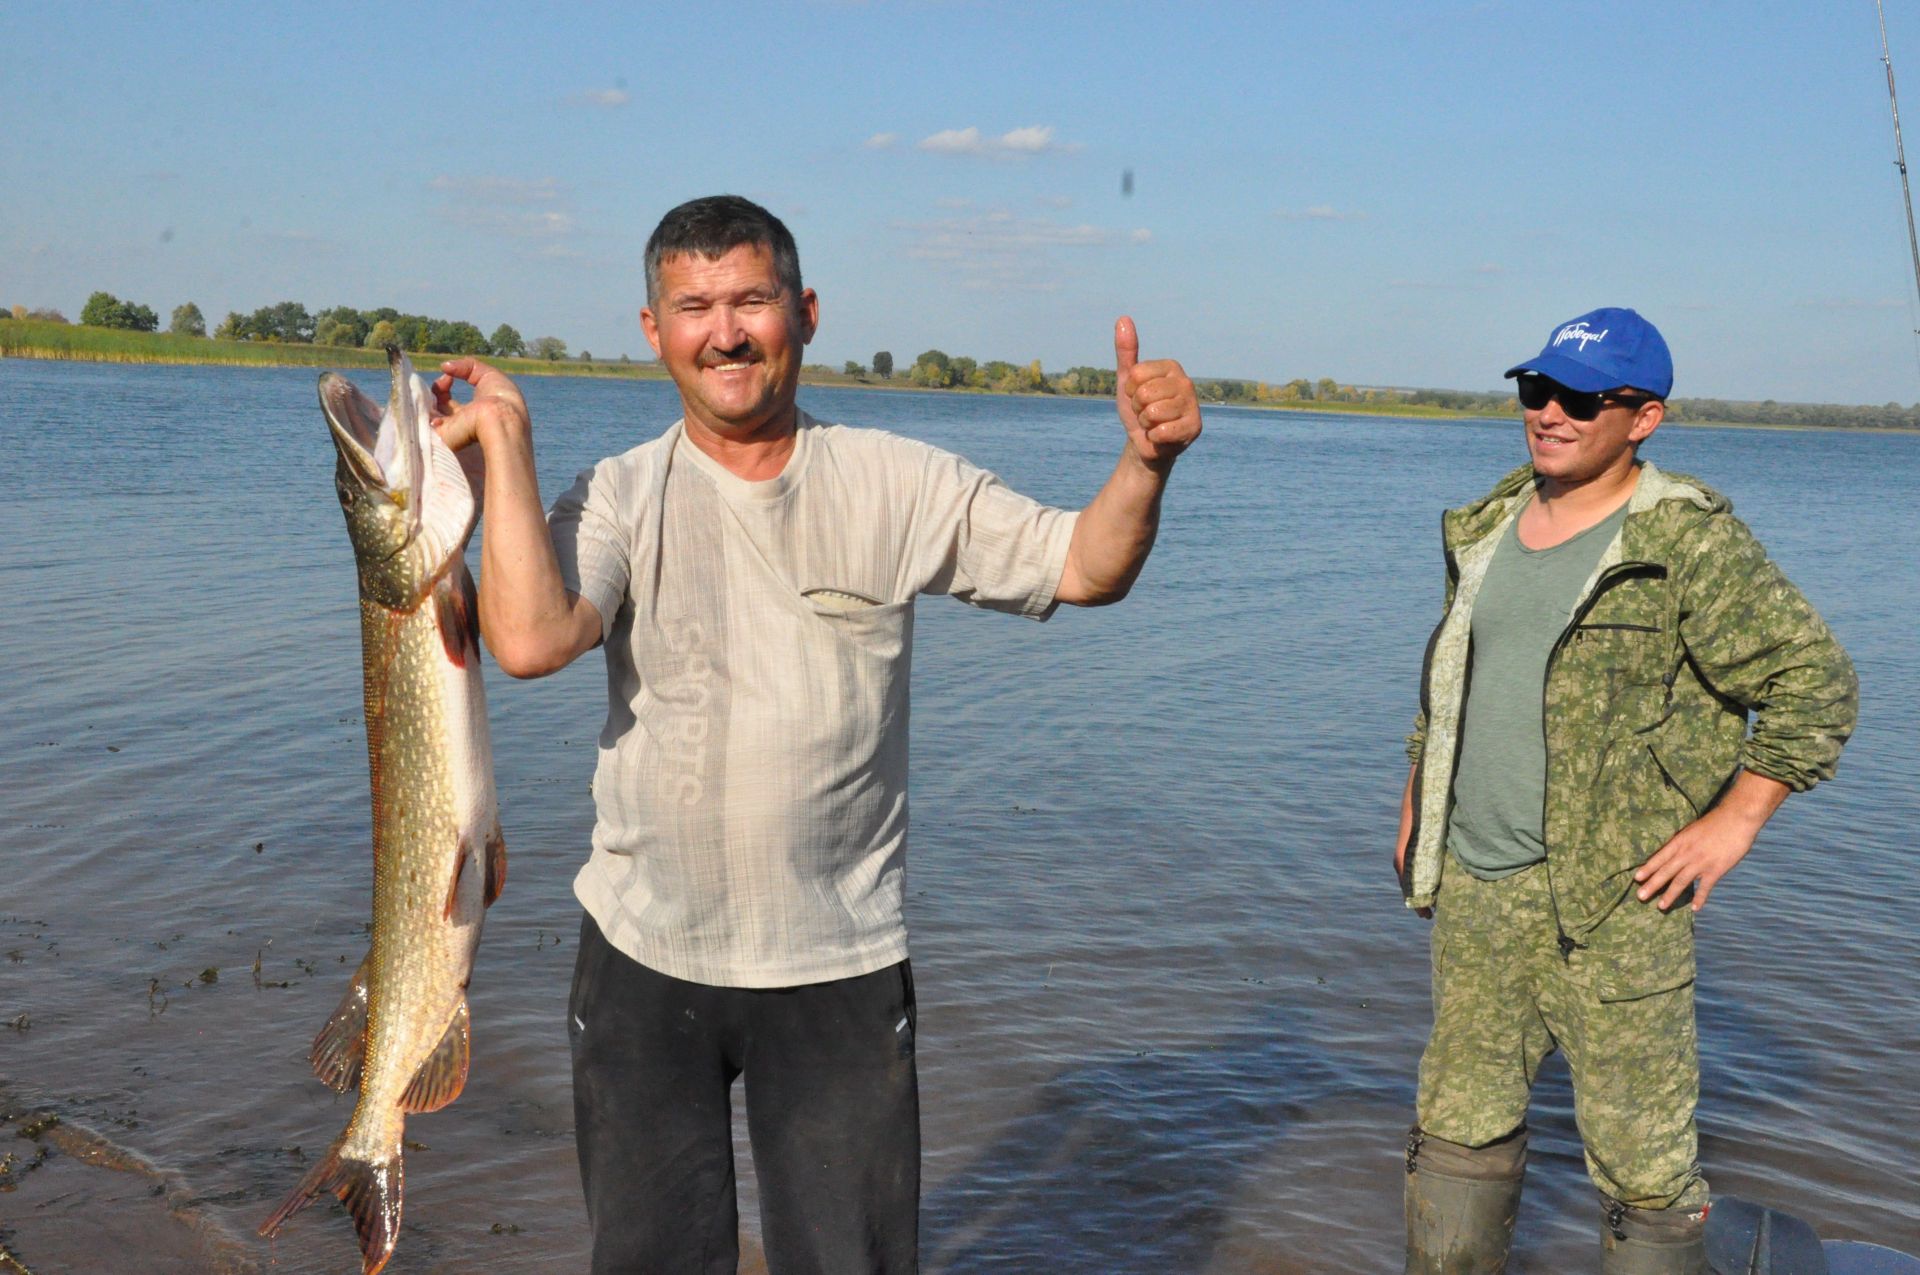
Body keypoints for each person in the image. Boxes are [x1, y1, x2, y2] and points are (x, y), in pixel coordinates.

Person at [428, 194, 1202, 1274]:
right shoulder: (615, 493)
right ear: (653, 332)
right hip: (645, 956)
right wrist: (502, 443)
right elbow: (529, 637)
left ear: (807, 312)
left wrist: (1146, 465)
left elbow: (1084, 567)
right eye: (694, 306)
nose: (726, 330)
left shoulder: (895, 479)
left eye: (752, 298)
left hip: (837, 962)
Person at [1391, 307, 1857, 1273]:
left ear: (1643, 418)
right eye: (1536, 390)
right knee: (1455, 1131)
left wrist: (1734, 823)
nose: (1549, 413)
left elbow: (1816, 684)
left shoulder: (1685, 541)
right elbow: (1452, 688)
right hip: (1478, 894)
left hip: (1616, 907)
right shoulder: (1485, 525)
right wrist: (1416, 804)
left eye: (1578, 399)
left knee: (1646, 1176)